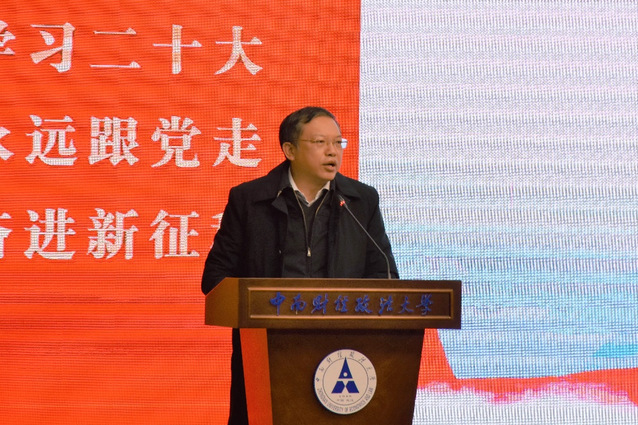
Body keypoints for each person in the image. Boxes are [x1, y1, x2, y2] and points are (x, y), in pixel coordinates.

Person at [201, 106, 398, 424]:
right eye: (320, 142)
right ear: (289, 150)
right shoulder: (250, 200)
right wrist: (259, 305)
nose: (332, 151)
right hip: (267, 351)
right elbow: (215, 277)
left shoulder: (360, 201)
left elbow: (384, 275)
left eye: (338, 142)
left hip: (343, 352)